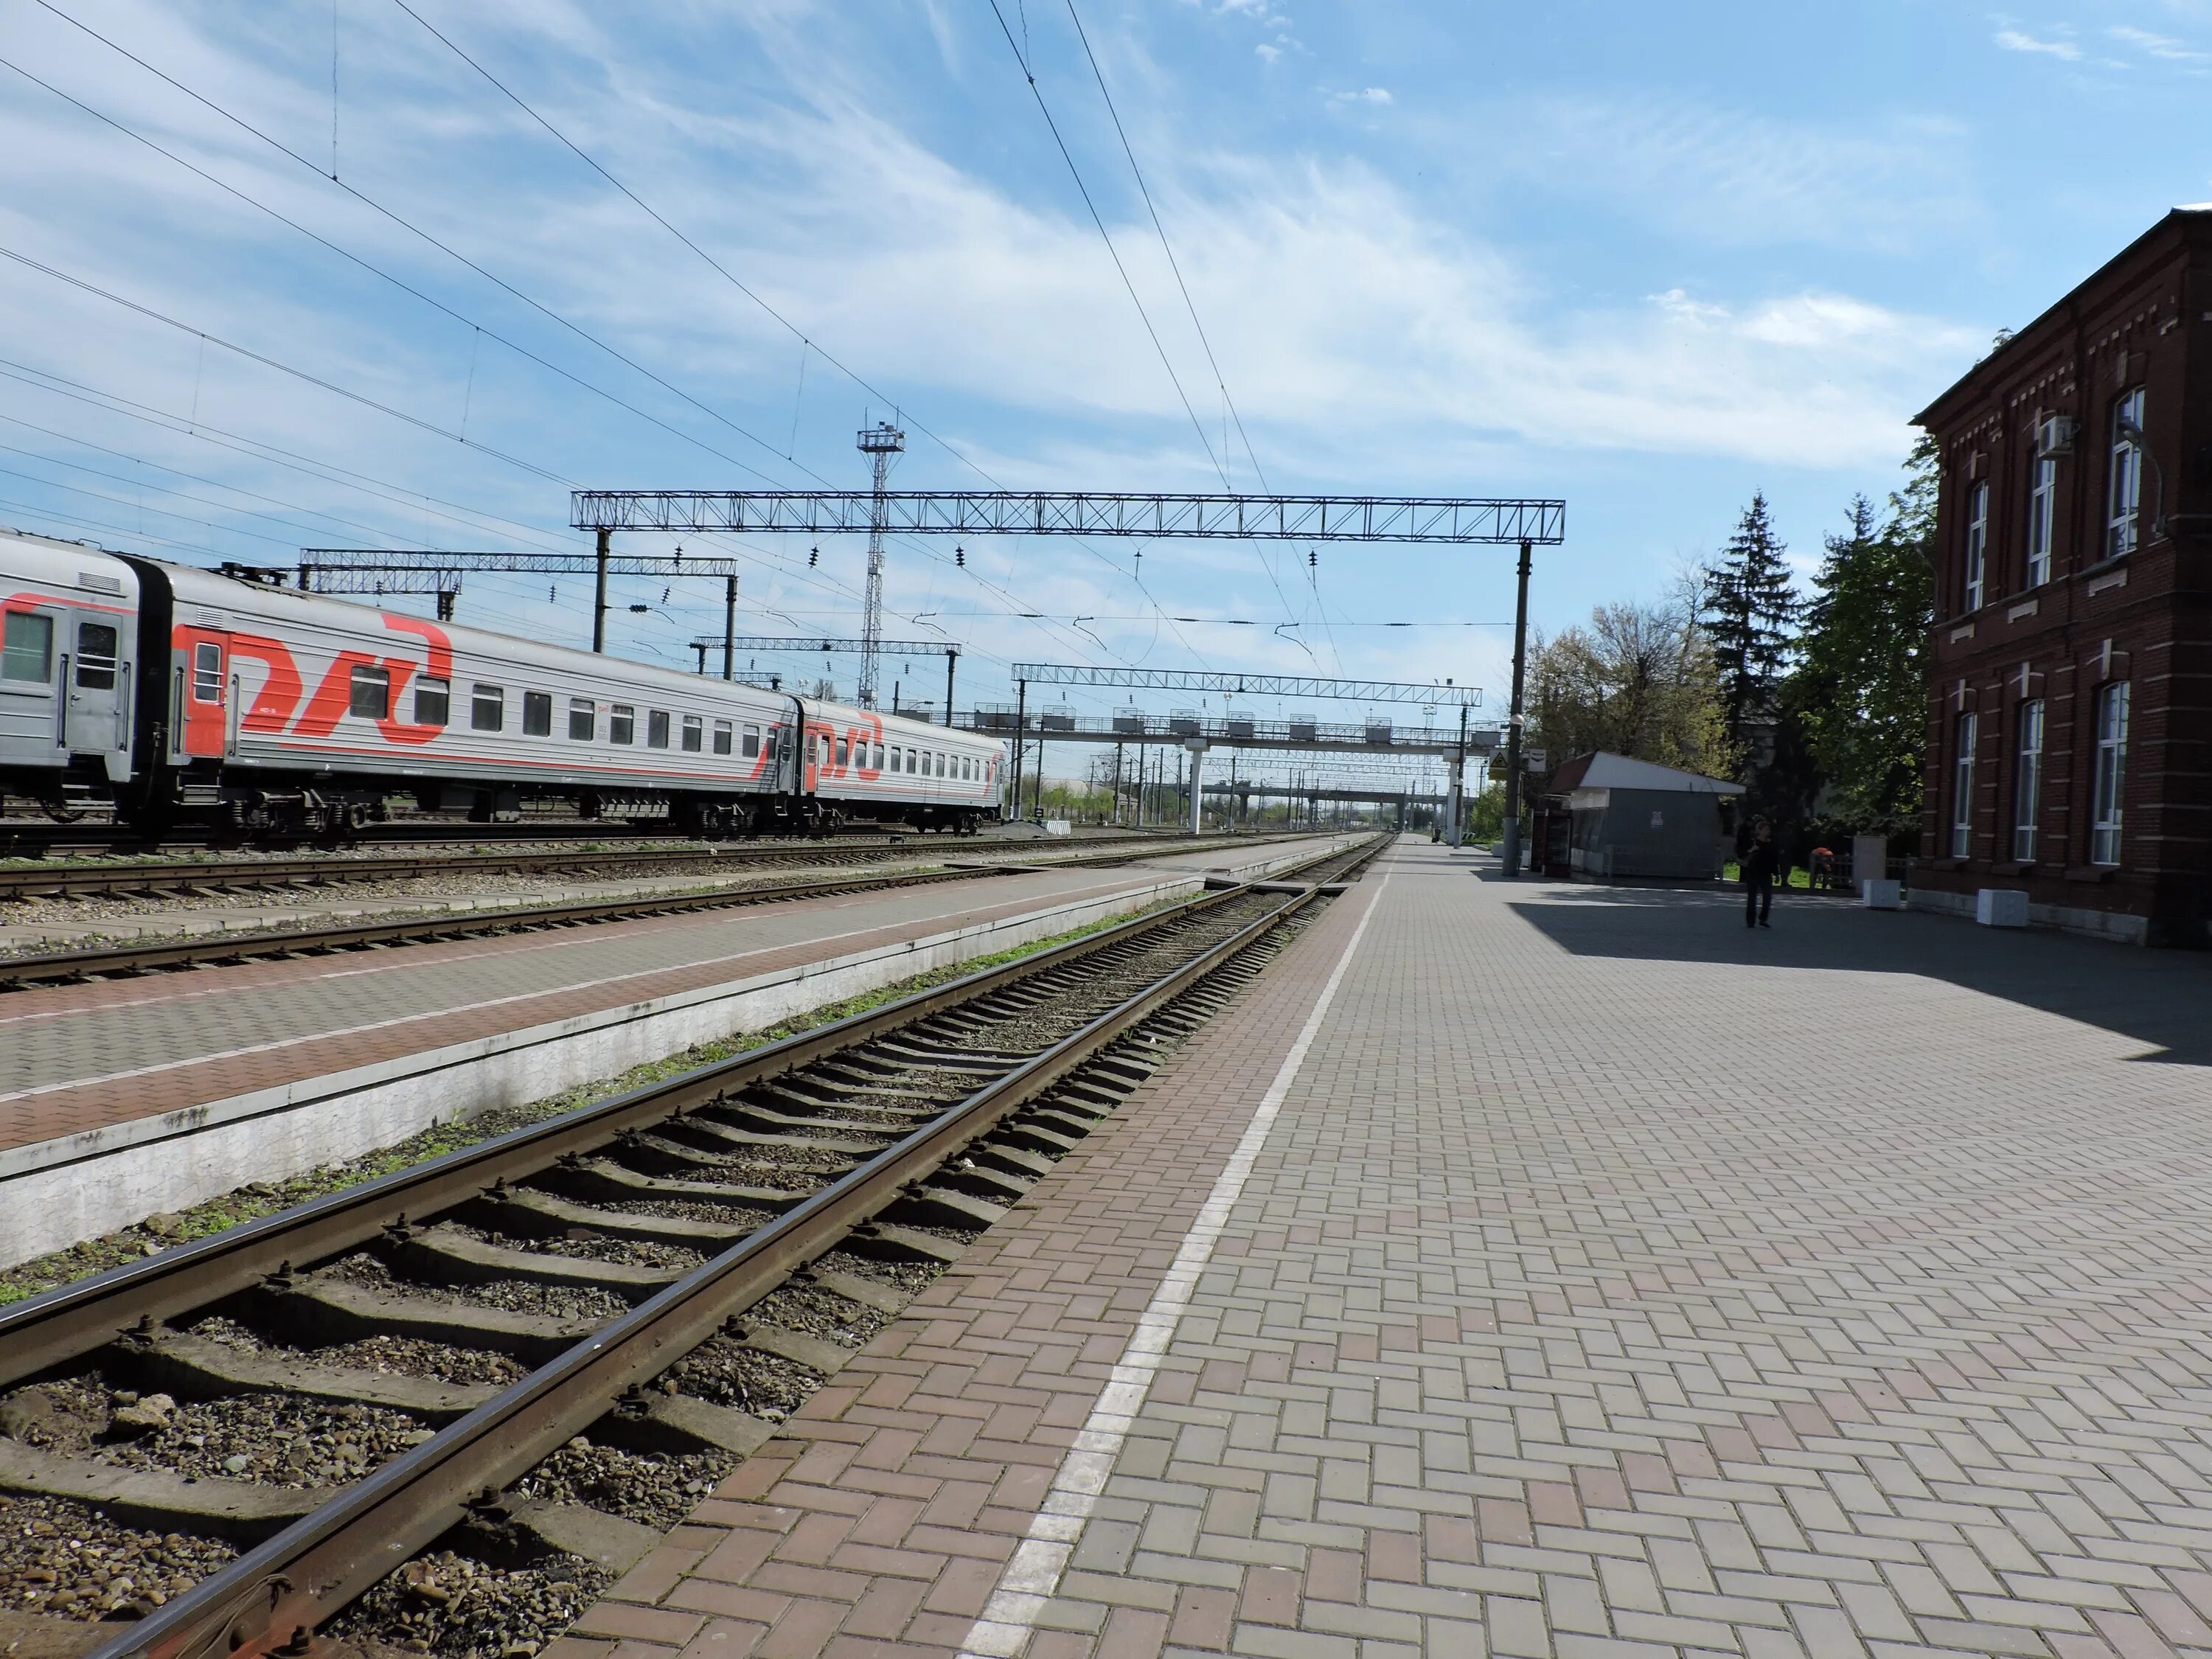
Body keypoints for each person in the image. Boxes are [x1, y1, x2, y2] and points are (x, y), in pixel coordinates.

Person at [1742, 817, 1778, 929]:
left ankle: (1763, 919)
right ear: (1760, 830)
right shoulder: (1753, 842)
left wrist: (1777, 873)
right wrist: (1751, 850)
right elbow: (1744, 854)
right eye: (1766, 829)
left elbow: (1774, 860)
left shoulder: (1771, 844)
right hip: (1753, 873)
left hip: (1766, 874)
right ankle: (1750, 921)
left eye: (1769, 830)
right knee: (1752, 898)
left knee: (1767, 898)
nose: (1768, 832)